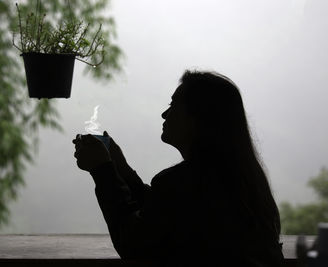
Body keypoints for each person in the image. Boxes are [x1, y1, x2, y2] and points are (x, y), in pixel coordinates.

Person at [72, 70, 284, 267]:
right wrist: (122, 170)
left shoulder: (182, 182)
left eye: (174, 105)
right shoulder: (244, 180)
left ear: (197, 119)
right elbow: (164, 214)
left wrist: (103, 170)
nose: (165, 114)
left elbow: (133, 244)